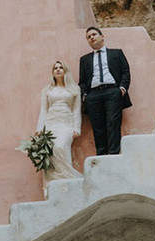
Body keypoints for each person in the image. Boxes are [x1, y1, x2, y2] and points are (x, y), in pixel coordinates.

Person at [79, 26, 131, 155]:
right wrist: (85, 95)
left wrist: (122, 89)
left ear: (102, 36)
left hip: (113, 92)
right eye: (88, 37)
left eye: (94, 34)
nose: (91, 38)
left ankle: (113, 154)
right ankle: (101, 156)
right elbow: (82, 81)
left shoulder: (116, 53)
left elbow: (125, 72)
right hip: (93, 95)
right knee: (97, 127)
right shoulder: (84, 60)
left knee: (113, 123)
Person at [36, 60, 82, 196]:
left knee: (61, 147)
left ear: (65, 70)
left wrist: (77, 128)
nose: (58, 70)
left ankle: (69, 182)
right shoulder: (48, 89)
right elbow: (44, 110)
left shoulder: (74, 88)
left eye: (60, 67)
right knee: (49, 154)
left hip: (66, 124)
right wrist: (40, 128)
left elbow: (76, 109)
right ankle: (50, 188)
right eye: (55, 68)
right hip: (50, 124)